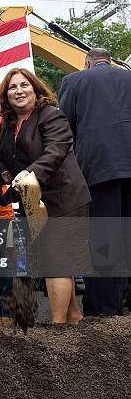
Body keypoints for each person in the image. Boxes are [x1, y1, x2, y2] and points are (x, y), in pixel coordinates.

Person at [0, 68, 92, 324]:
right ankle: (74, 318)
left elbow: (57, 149)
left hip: (64, 198)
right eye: (12, 87)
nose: (19, 91)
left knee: (56, 263)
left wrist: (29, 172)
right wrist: (7, 173)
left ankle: (57, 326)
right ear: (6, 95)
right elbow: (4, 157)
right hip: (33, 203)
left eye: (24, 85)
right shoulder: (8, 125)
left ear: (36, 88)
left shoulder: (50, 115)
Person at [59, 48, 131, 316]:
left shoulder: (75, 81)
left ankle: (104, 309)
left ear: (87, 63)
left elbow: (64, 127)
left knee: (105, 239)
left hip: (99, 169)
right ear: (110, 61)